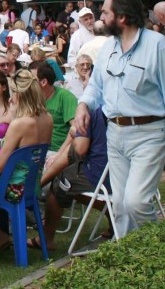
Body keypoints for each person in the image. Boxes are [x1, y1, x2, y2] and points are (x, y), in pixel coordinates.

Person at [76, 0, 165, 235]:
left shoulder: (158, 45)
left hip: (149, 134)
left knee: (137, 202)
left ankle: (154, 252)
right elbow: (95, 86)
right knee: (119, 205)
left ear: (122, 16)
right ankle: (128, 260)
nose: (101, 17)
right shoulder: (108, 47)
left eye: (105, 12)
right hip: (115, 134)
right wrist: (83, 105)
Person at [0, 69, 53, 255]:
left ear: (19, 95)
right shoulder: (47, 118)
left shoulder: (19, 124)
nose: (11, 98)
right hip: (31, 185)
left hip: (11, 188)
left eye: (13, 94)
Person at [39, 104, 109, 249]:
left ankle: (46, 240)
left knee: (60, 184)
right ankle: (115, 217)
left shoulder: (91, 112)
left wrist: (74, 135)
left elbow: (79, 148)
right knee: (68, 171)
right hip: (124, 174)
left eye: (84, 80)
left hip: (103, 177)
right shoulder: (116, 109)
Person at [31, 61, 77, 154]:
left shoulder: (65, 97)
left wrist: (59, 155)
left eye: (32, 80)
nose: (28, 83)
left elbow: (76, 128)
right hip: (34, 148)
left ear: (43, 82)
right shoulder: (30, 97)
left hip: (57, 150)